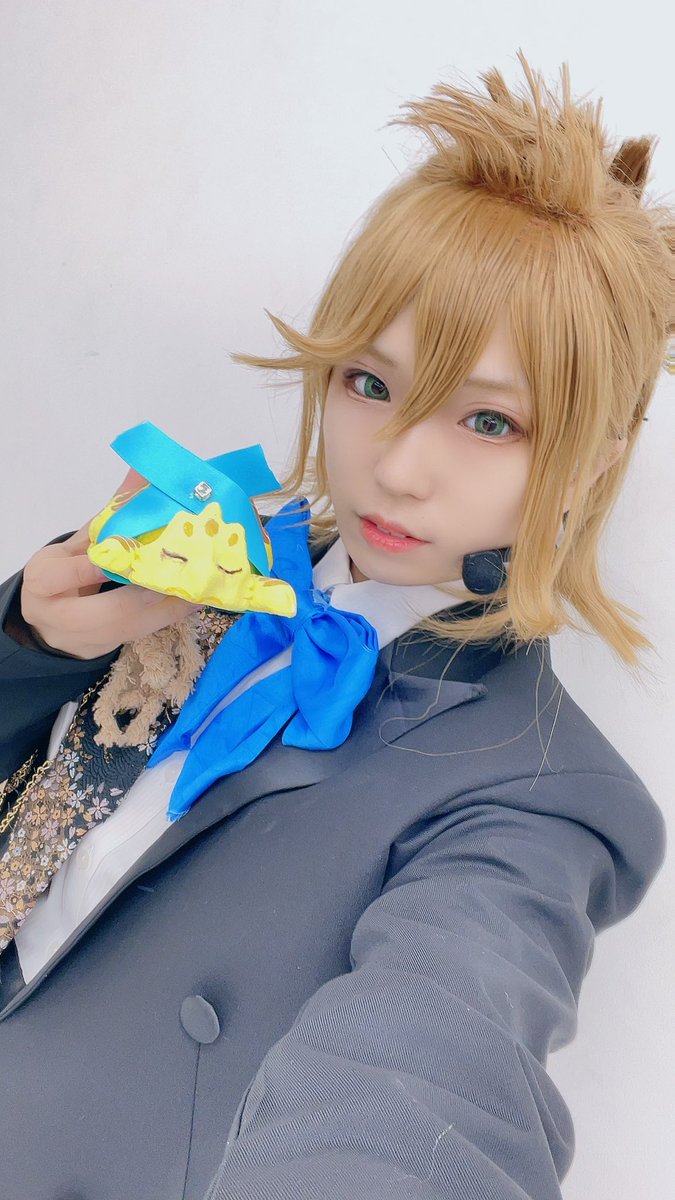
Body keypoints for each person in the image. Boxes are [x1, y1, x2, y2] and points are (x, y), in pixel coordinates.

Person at [0, 50, 671, 1200]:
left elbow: (429, 1084)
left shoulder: (541, 800)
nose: (397, 468)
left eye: (489, 422)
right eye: (371, 383)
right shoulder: (202, 553)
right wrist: (29, 644)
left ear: (593, 458)